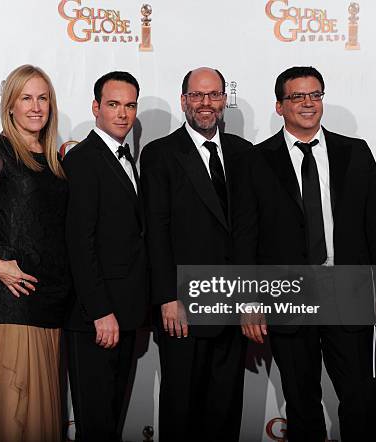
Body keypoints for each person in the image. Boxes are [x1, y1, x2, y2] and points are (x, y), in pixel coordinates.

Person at [235, 66, 376, 441]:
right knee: (301, 401)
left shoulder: (355, 152)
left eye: (315, 95)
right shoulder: (256, 161)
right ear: (279, 106)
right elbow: (246, 236)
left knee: (360, 397)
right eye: (297, 96)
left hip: (348, 289)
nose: (308, 103)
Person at [140, 67, 251, 441]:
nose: (206, 104)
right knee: (182, 406)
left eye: (214, 95)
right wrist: (168, 297)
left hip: (233, 306)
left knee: (225, 407)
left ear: (224, 100)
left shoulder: (243, 153)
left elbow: (251, 231)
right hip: (183, 306)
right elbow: (155, 232)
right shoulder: (159, 153)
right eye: (198, 96)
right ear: (184, 100)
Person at [0, 64, 70, 442]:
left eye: (43, 98)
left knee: (42, 420)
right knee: (11, 416)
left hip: (50, 302)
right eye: (26, 98)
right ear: (9, 105)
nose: (35, 106)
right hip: (10, 302)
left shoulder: (55, 160)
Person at [64, 71, 149, 441]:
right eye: (113, 104)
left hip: (126, 312)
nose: (122, 113)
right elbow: (79, 244)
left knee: (110, 420)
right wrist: (100, 311)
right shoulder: (83, 160)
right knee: (96, 423)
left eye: (130, 105)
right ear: (96, 108)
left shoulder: (126, 156)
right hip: (96, 318)